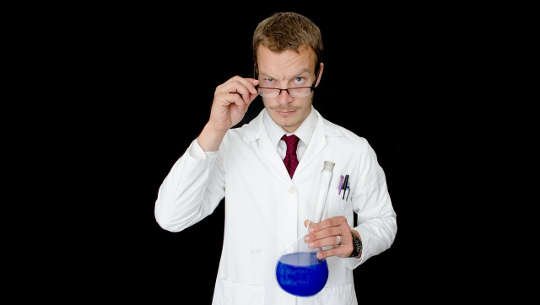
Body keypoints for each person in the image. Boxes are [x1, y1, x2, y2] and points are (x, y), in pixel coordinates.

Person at [154, 12, 397, 305]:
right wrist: (214, 129)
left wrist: (357, 241)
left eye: (298, 80)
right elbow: (170, 217)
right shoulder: (230, 144)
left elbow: (383, 221)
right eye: (270, 81)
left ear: (318, 74)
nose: (283, 99)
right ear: (256, 74)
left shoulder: (352, 149)